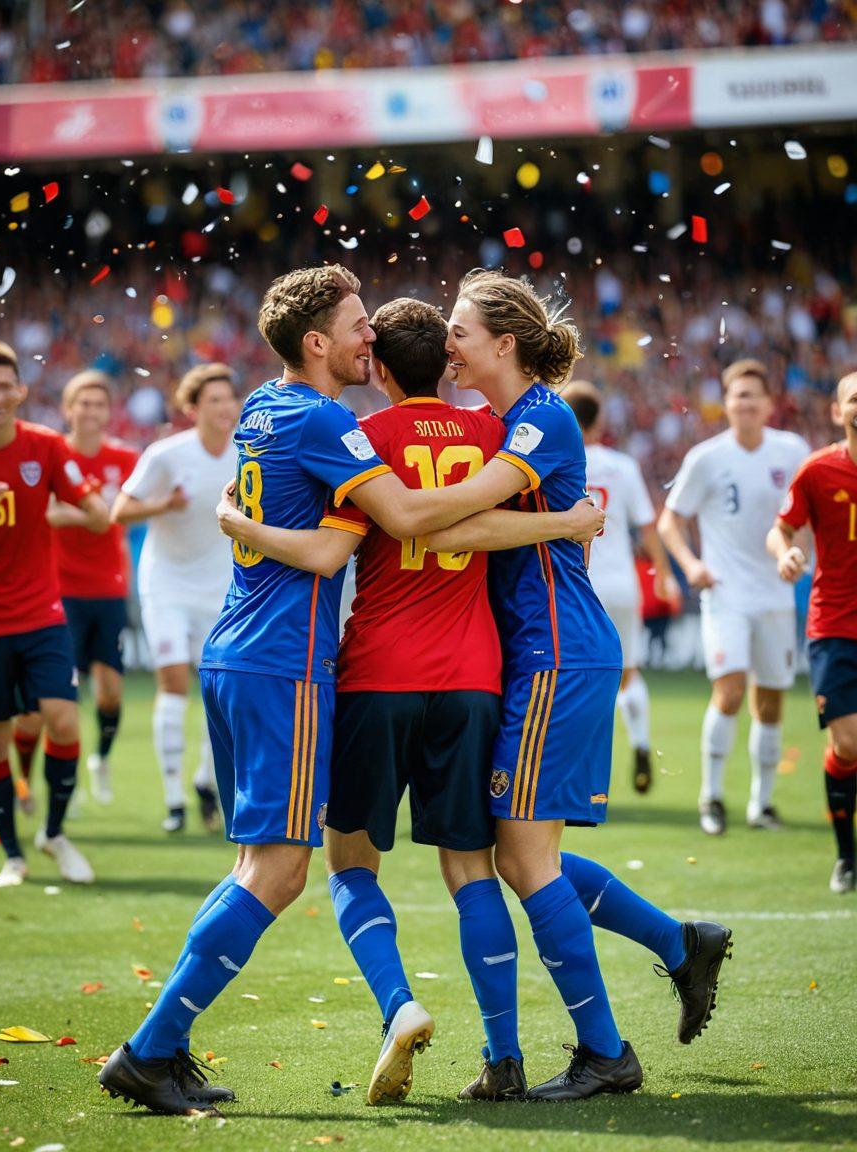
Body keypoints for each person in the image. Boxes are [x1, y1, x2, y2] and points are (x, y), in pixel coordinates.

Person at [216, 269, 732, 1102]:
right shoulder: (487, 428)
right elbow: (467, 510)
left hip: (506, 657)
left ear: (502, 342)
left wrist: (247, 521)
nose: (454, 342)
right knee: (501, 859)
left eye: (466, 328)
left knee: (480, 860)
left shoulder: (419, 433)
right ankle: (667, 951)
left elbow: (409, 521)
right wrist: (562, 519)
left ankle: (584, 1049)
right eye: (447, 332)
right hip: (487, 669)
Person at [98, 264, 544, 1115]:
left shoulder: (264, 407)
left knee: (252, 865)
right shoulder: (328, 422)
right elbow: (373, 535)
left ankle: (162, 1046)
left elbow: (317, 520)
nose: (366, 337)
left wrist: (243, 522)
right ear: (316, 344)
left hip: (239, 650)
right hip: (287, 663)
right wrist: (559, 518)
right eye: (353, 325)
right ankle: (149, 1050)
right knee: (279, 872)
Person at [0, 338, 108, 887]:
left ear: (20, 391)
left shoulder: (44, 447)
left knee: (64, 719)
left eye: (6, 385)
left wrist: (87, 506)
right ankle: (12, 856)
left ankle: (53, 832)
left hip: (43, 613)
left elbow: (96, 516)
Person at [658, 359, 810, 835]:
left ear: (769, 404)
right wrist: (692, 566)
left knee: (771, 701)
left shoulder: (793, 451)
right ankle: (712, 798)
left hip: (776, 593)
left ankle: (760, 806)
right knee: (729, 692)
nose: (745, 403)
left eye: (753, 395)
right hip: (724, 592)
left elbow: (806, 518)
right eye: (737, 395)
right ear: (725, 404)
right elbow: (670, 520)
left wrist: (800, 554)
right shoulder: (707, 457)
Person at [111, 364, 239, 833]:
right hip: (166, 584)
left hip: (222, 586)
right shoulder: (166, 455)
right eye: (215, 400)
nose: (227, 408)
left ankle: (206, 782)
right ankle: (173, 802)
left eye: (230, 398)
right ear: (192, 408)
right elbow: (120, 510)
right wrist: (163, 505)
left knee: (216, 690)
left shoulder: (248, 453)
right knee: (171, 683)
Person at [14, 370, 139, 807]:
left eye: (98, 403)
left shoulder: (124, 458)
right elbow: (43, 513)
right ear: (68, 409)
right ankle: (25, 783)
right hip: (57, 592)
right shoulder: (50, 454)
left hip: (108, 589)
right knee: (45, 702)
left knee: (110, 692)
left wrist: (98, 514)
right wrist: (89, 514)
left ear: (108, 412)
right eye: (82, 403)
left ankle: (100, 761)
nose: (89, 410)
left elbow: (126, 513)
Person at [563, 380, 680, 793]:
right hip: (621, 584)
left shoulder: (556, 459)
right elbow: (647, 527)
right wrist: (664, 574)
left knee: (573, 677)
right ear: (599, 423)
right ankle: (643, 743)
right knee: (628, 673)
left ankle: (581, 771)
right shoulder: (623, 466)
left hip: (576, 584)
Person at [767, 371, 857, 893]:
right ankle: (847, 857)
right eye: (854, 398)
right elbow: (779, 529)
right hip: (835, 624)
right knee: (848, 746)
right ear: (836, 411)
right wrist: (788, 553)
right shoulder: (819, 470)